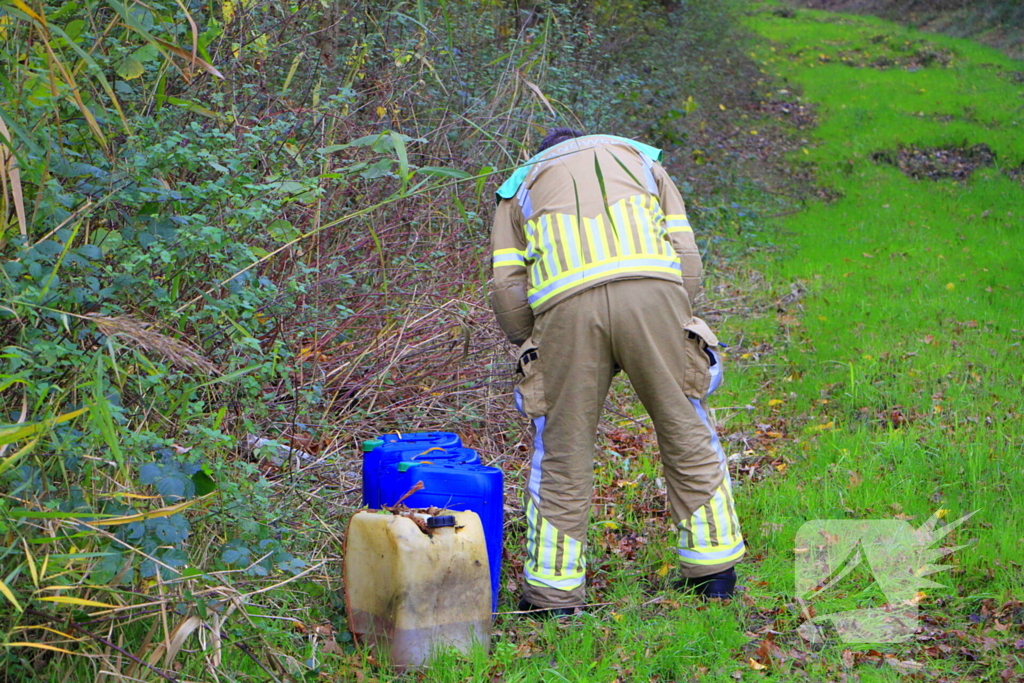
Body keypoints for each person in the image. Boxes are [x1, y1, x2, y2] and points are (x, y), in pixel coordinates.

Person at [489, 128, 744, 616]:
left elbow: (507, 285)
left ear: (544, 151)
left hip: (565, 311)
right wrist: (672, 311)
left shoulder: (519, 187)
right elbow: (686, 255)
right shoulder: (642, 162)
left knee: (562, 450)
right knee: (685, 427)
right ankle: (714, 572)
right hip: (654, 291)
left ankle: (552, 595)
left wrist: (532, 339)